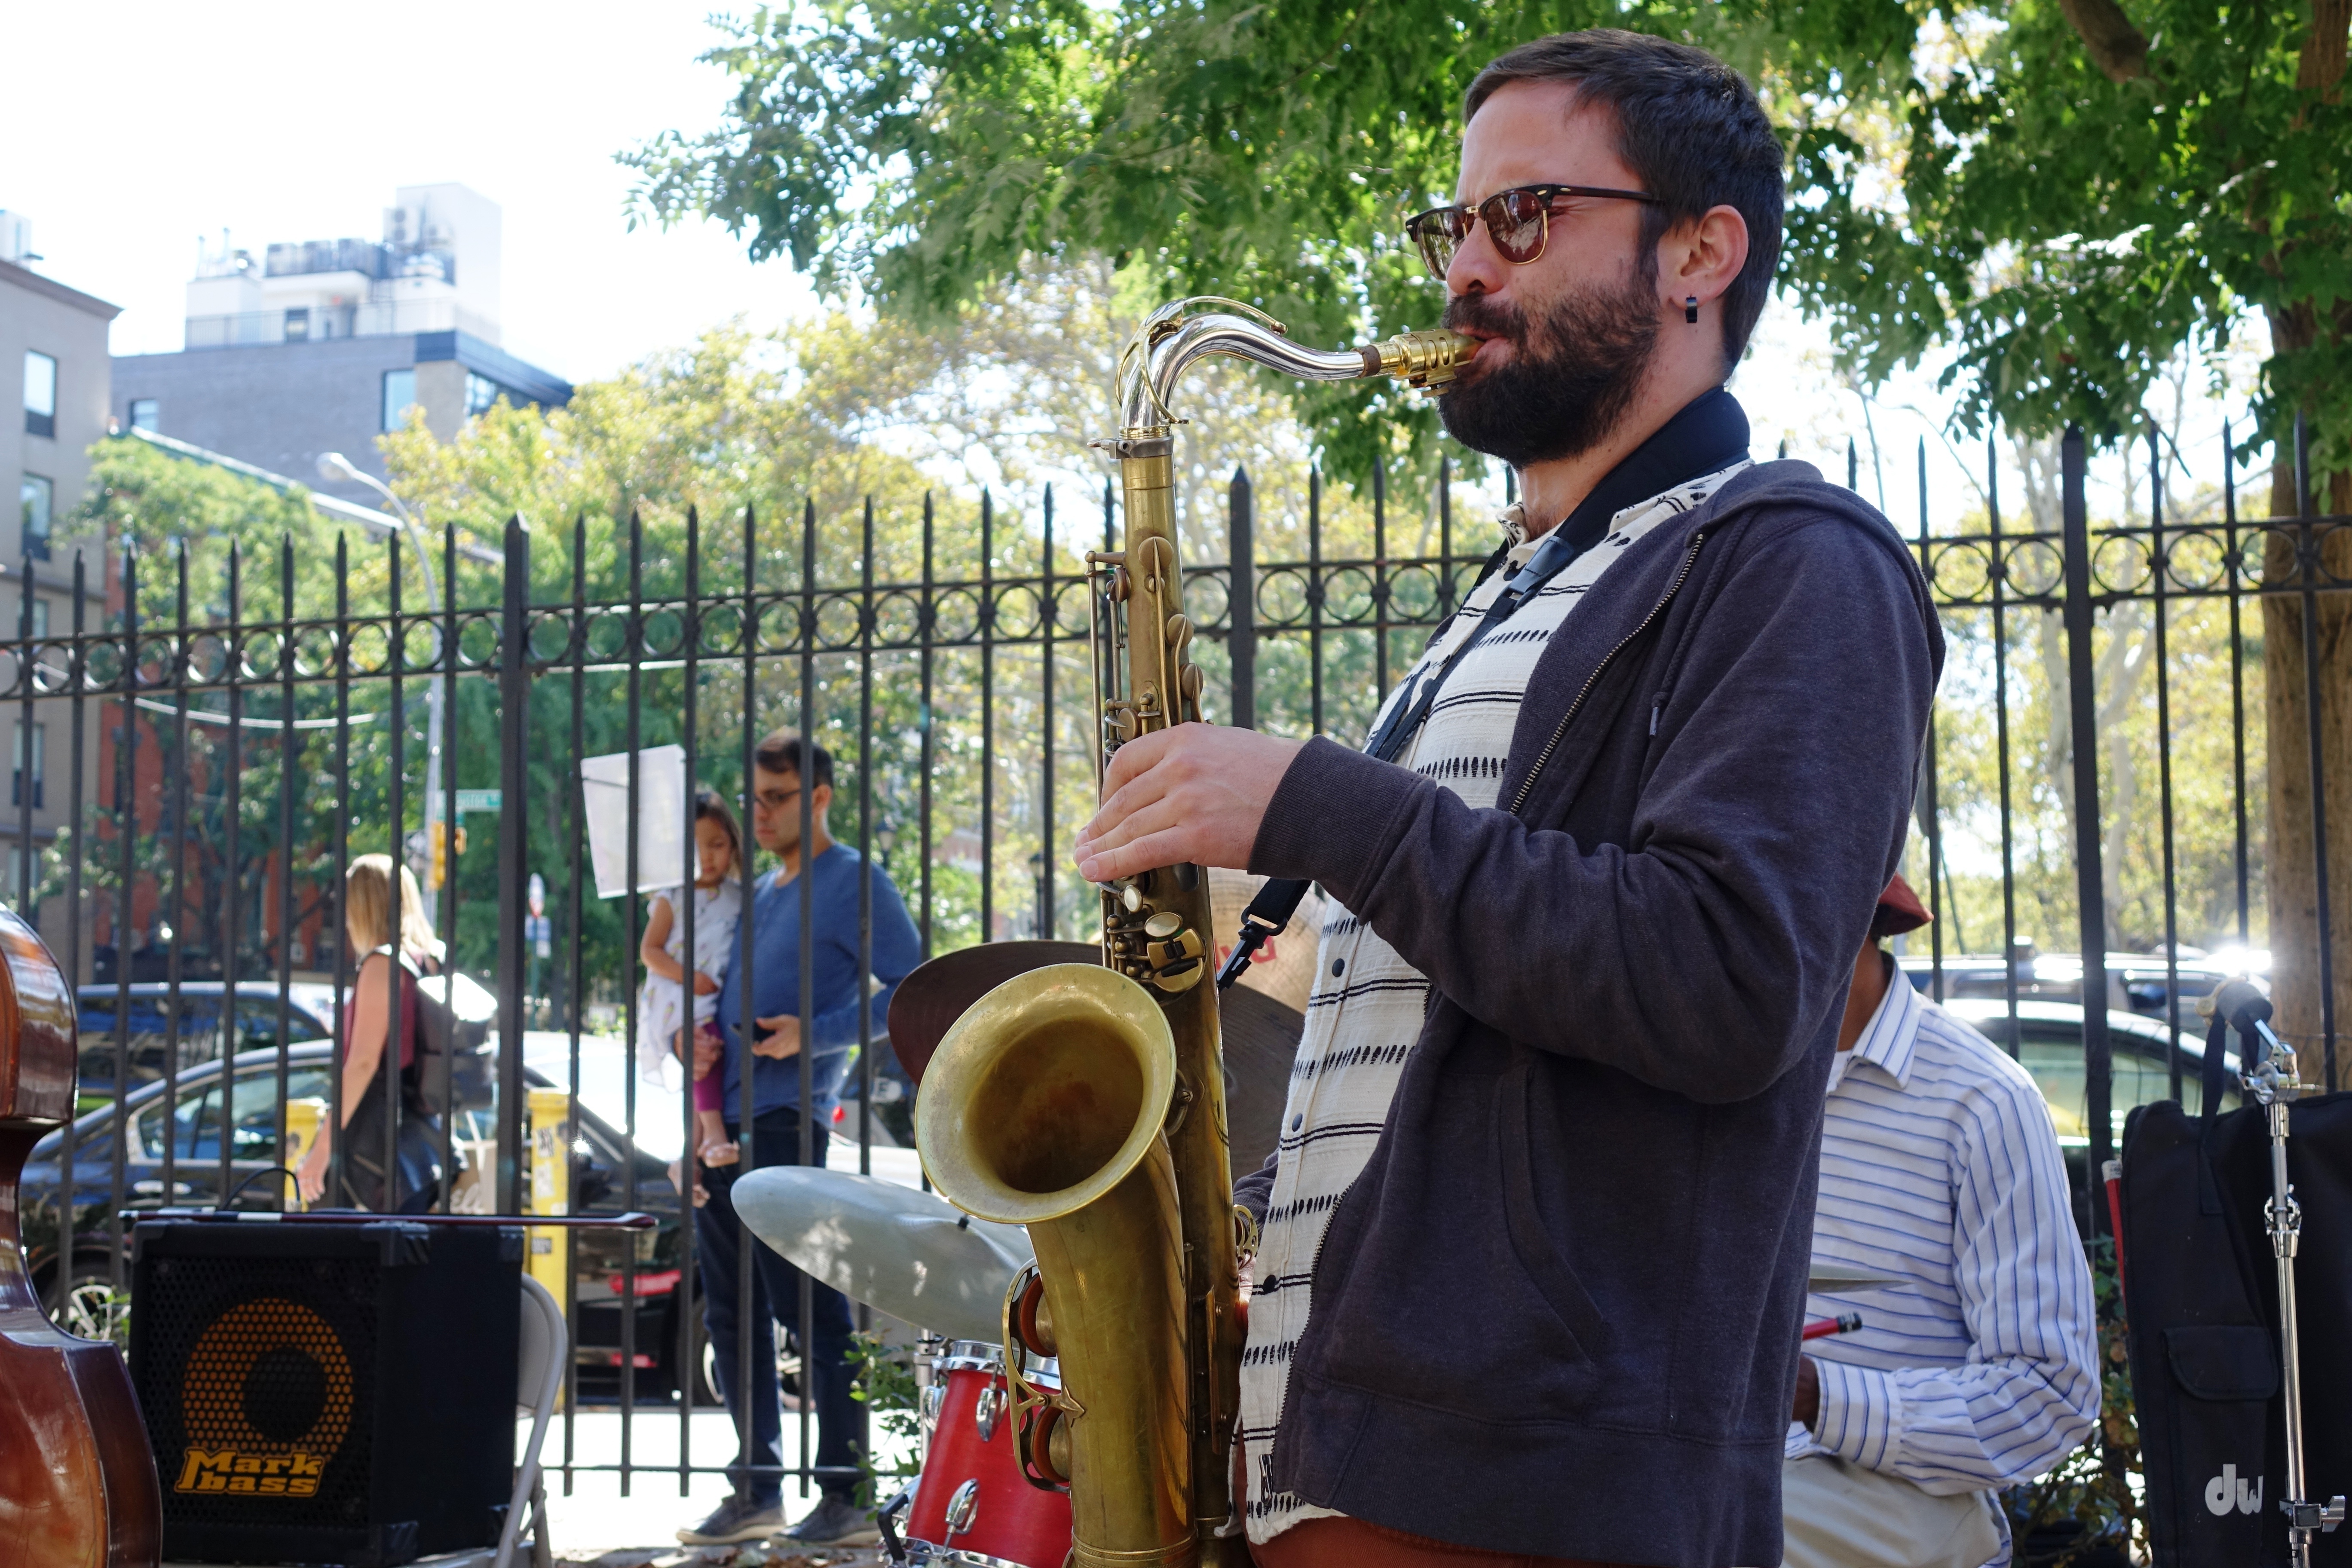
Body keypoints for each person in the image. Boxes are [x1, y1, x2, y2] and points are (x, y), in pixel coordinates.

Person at [1072, 29, 1944, 1568]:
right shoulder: (1506, 597)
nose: (1464, 269)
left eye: (1521, 217)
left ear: (1698, 250)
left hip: (1527, 1475)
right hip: (1339, 1449)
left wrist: (1318, 802)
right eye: (1452, 226)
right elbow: (1439, 1041)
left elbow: (1727, 979)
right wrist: (1256, 1226)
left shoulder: (1793, 558)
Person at [1784, 878, 2098, 1568]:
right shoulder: (1709, 1074)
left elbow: (2049, 1395)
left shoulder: (1985, 1102)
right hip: (1707, 1463)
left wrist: (1817, 1395)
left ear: (1846, 917)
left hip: (1892, 1493)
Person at [676, 731, 924, 1550]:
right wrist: (693, 1051)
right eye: (754, 797)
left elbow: (911, 987)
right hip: (725, 1129)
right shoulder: (758, 893)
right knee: (732, 1314)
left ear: (817, 797)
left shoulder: (852, 879)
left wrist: (809, 1035)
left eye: (776, 797)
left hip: (790, 1121)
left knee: (808, 1308)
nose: (761, 812)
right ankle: (755, 1489)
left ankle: (848, 1495)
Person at [296, 854, 441, 1212]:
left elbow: (362, 1064)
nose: (344, 916)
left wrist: (320, 1152)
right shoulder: (425, 960)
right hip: (417, 1137)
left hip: (375, 1140)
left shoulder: (382, 965)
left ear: (364, 907)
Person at [638, 788, 747, 1173]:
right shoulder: (672, 897)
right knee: (704, 1043)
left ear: (734, 843)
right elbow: (649, 951)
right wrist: (690, 978)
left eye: (717, 845)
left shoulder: (740, 896)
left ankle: (690, 1158)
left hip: (712, 993)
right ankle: (714, 1135)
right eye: (696, 848)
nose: (707, 857)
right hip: (676, 990)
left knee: (710, 1048)